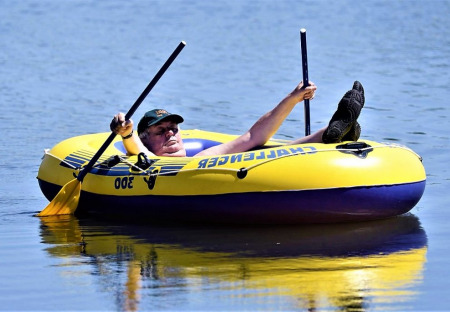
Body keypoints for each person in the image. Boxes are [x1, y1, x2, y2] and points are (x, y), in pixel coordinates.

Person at [110, 81, 364, 157]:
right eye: (161, 130)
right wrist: (126, 132)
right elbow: (135, 149)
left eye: (174, 128)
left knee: (264, 147)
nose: (170, 133)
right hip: (166, 173)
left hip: (203, 166)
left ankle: (334, 131)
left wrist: (293, 98)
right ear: (145, 138)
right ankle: (337, 132)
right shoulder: (145, 158)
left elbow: (253, 136)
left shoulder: (201, 156)